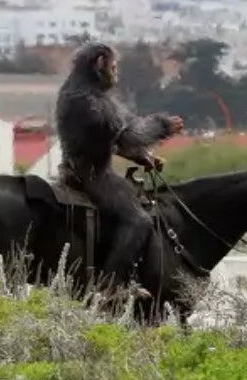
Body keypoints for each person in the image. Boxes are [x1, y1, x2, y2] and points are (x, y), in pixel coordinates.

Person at [55, 42, 184, 302]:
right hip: (93, 175)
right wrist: (163, 126)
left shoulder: (78, 94)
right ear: (99, 65)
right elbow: (127, 135)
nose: (116, 74)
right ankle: (111, 286)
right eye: (113, 68)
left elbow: (109, 138)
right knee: (139, 220)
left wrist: (141, 157)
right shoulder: (89, 101)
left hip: (82, 168)